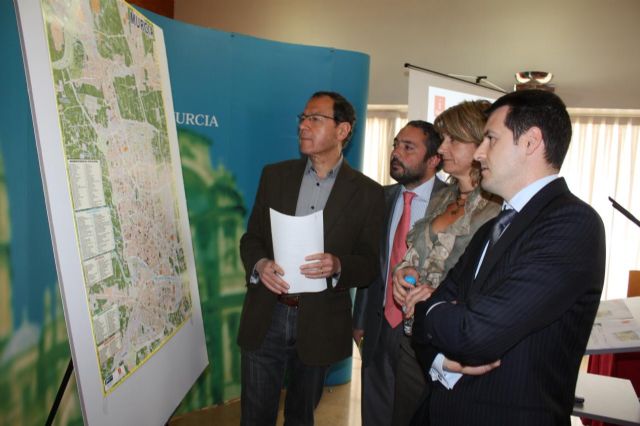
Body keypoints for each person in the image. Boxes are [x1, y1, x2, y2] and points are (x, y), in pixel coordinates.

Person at [404, 90, 606, 425]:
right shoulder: (493, 227)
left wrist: (427, 308)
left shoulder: (572, 224)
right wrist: (440, 357)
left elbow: (474, 334)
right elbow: (443, 319)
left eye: (491, 139)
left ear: (530, 142)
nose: (479, 153)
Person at [237, 91, 385, 426]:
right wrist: (260, 264)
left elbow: (369, 263)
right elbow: (252, 238)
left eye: (315, 119)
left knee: (301, 416)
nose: (303, 125)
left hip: (321, 322)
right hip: (267, 314)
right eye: (303, 118)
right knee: (254, 417)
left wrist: (339, 265)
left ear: (342, 131)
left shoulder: (369, 193)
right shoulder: (274, 176)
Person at [388, 100, 501, 425]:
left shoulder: (496, 209)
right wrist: (404, 272)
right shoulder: (441, 196)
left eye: (453, 139)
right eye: (442, 138)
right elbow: (415, 253)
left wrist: (437, 296)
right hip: (415, 338)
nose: (442, 148)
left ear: (480, 143)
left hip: (456, 347)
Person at [352, 120, 446, 426]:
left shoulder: (453, 203)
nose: (396, 153)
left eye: (408, 148)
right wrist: (360, 319)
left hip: (422, 327)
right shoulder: (380, 198)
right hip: (378, 325)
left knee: (413, 414)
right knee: (375, 412)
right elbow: (372, 262)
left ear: (434, 159)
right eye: (396, 145)